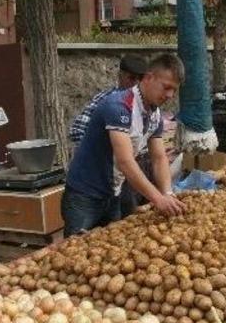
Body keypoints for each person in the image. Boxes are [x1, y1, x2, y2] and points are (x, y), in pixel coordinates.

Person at [62, 54, 187, 237]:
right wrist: (158, 199)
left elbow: (159, 158)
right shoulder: (119, 106)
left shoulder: (154, 114)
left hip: (113, 193)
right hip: (84, 196)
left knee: (112, 249)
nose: (170, 95)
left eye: (174, 90)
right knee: (73, 253)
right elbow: (125, 162)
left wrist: (168, 192)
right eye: (166, 87)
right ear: (149, 77)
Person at [68, 54, 148, 146]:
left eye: (141, 79)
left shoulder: (147, 103)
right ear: (120, 76)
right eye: (132, 78)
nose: (136, 83)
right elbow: (77, 130)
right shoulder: (106, 98)